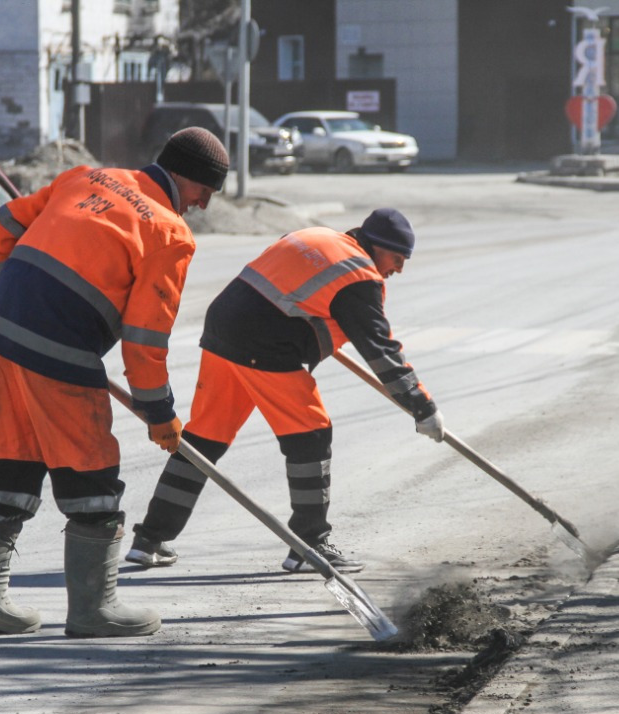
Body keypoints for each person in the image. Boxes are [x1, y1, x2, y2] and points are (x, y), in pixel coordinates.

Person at [0, 127, 230, 638]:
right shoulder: (168, 234)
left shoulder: (83, 176)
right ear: (185, 179)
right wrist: (160, 414)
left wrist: (19, 294)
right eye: (203, 192)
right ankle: (92, 611)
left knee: (9, 463)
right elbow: (144, 340)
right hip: (58, 354)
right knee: (90, 475)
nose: (203, 206)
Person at [124, 208, 444, 574]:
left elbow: (293, 296)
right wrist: (421, 406)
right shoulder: (359, 276)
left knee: (204, 438)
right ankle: (309, 544)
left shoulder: (317, 237)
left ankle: (149, 540)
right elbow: (380, 349)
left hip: (222, 329)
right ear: (378, 247)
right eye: (398, 259)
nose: (399, 269)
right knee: (311, 433)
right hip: (264, 346)